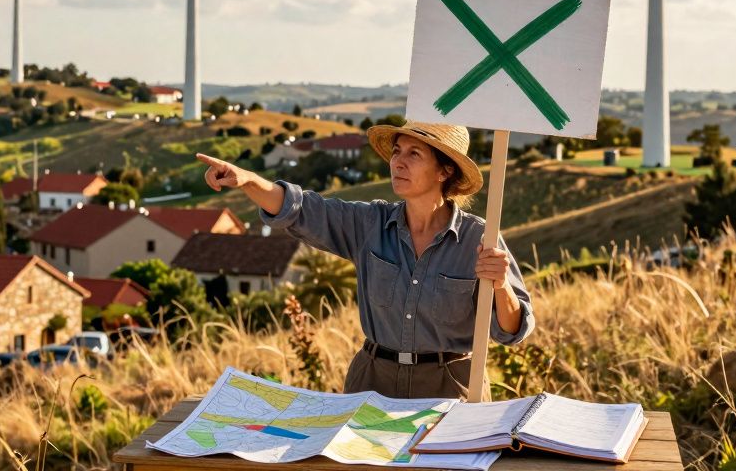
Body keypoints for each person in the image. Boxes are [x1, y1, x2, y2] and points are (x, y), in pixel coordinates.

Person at [195, 120, 533, 399]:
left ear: (444, 171)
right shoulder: (370, 224)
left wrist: (500, 286)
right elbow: (303, 210)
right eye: (397, 152)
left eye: (414, 154)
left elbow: (512, 331)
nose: (398, 162)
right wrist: (248, 180)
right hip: (372, 384)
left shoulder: (478, 238)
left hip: (451, 389)